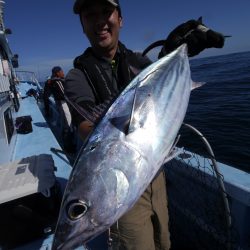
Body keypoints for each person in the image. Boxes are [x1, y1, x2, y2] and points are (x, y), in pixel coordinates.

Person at [64, 0, 225, 249]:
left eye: (106, 12)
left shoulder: (138, 61)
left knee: (164, 241)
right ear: (82, 25)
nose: (99, 21)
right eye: (90, 15)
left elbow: (162, 85)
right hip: (120, 195)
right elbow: (86, 127)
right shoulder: (77, 76)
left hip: (154, 172)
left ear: (120, 19)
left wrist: (175, 52)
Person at [43, 66, 75, 153]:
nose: (63, 73)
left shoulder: (52, 81)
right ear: (57, 73)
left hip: (60, 103)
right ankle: (68, 146)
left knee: (65, 123)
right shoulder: (57, 81)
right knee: (68, 124)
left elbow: (46, 94)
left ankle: (69, 143)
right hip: (63, 104)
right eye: (61, 71)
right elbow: (64, 94)